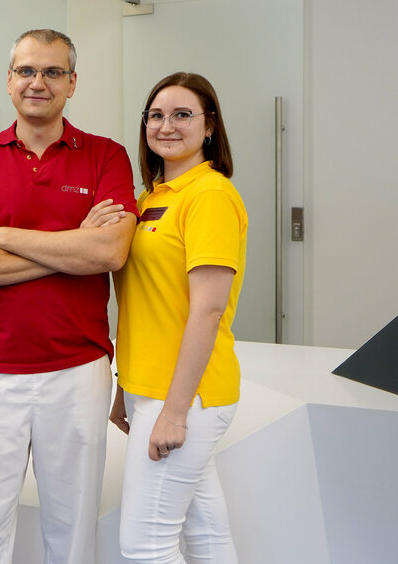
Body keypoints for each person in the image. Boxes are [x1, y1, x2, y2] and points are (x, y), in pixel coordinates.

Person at [0, 29, 137, 563]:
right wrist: (73, 242)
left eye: (53, 72)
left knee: (73, 523)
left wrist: (4, 236)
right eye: (27, 71)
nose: (38, 82)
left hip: (77, 367)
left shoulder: (106, 156)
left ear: (72, 83)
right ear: (9, 81)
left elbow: (110, 252)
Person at [110, 72, 246, 563]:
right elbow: (147, 303)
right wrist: (126, 388)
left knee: (144, 545)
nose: (166, 126)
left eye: (182, 114)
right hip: (151, 388)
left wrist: (173, 412)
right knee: (205, 531)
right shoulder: (151, 198)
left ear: (209, 126)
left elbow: (207, 310)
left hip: (187, 395)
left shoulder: (209, 195)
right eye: (156, 115)